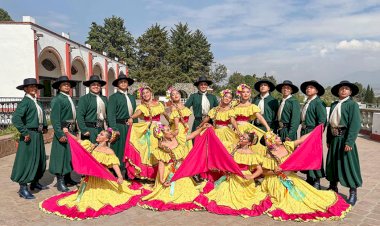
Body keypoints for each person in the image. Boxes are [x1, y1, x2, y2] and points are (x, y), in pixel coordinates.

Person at [39, 128, 142, 220]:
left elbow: (115, 165)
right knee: (84, 199)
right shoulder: (92, 146)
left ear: (106, 139)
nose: (98, 135)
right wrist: (68, 133)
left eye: (101, 134)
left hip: (102, 179)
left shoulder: (109, 151)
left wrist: (119, 176)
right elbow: (78, 141)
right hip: (90, 179)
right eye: (99, 134)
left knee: (103, 198)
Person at [259, 131, 351, 221]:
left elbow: (300, 140)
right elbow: (264, 172)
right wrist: (274, 171)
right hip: (276, 181)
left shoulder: (287, 145)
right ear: (271, 142)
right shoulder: (268, 155)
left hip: (290, 178)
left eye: (277, 136)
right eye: (276, 137)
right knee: (289, 200)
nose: (279, 137)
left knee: (308, 195)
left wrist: (315, 131)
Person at [195, 132, 272, 217]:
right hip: (232, 177)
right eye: (242, 136)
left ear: (249, 143)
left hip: (243, 179)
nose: (241, 138)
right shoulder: (232, 148)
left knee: (243, 199)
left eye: (244, 138)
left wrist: (251, 176)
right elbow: (220, 151)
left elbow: (260, 170)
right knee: (222, 195)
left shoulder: (252, 154)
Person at [139, 123, 210, 211]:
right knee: (169, 193)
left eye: (170, 129)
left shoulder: (178, 138)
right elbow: (161, 164)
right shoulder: (162, 147)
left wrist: (202, 127)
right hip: (168, 173)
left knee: (187, 188)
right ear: (162, 134)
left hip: (181, 170)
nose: (171, 131)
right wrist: (161, 180)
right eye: (168, 130)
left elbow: (191, 136)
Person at [11, 78, 48, 199]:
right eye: (31, 86)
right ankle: (23, 188)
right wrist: (24, 132)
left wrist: (45, 127)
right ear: (25, 89)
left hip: (38, 134)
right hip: (29, 135)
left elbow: (40, 115)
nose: (34, 88)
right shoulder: (26, 101)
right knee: (27, 160)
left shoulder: (35, 101)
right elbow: (16, 118)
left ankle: (35, 182)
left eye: (35, 86)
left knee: (39, 158)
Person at [326, 81, 362, 206]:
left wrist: (350, 141)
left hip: (345, 139)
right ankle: (332, 187)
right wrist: (328, 140)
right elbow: (330, 124)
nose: (343, 90)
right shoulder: (334, 104)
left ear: (350, 92)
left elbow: (355, 124)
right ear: (338, 91)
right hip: (335, 139)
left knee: (348, 165)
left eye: (346, 89)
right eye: (342, 88)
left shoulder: (352, 105)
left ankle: (353, 192)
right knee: (332, 164)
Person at [125, 86, 167, 180]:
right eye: (143, 94)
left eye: (147, 92)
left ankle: (160, 174)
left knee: (160, 149)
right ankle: (149, 175)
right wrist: (131, 117)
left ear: (151, 93)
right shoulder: (142, 106)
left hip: (158, 129)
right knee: (148, 150)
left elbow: (165, 114)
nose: (145, 94)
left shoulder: (159, 104)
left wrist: (171, 124)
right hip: (148, 129)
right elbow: (137, 113)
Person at [49, 75, 78, 192]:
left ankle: (68, 178)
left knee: (69, 156)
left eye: (68, 84)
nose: (67, 86)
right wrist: (60, 134)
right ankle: (60, 181)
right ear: (59, 87)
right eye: (64, 84)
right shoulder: (57, 99)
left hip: (70, 131)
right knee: (60, 156)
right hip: (62, 132)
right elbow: (55, 119)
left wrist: (75, 131)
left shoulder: (69, 98)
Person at [107, 72, 137, 175]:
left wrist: (135, 127)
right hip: (119, 126)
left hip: (130, 127)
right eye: (121, 82)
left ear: (128, 84)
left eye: (125, 82)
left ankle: (128, 170)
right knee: (118, 149)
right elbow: (111, 114)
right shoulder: (113, 97)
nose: (123, 83)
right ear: (117, 84)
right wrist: (114, 129)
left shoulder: (131, 97)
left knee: (129, 148)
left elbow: (134, 113)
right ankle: (117, 172)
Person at [299, 80, 327, 189]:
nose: (308, 89)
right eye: (307, 88)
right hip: (304, 131)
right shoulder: (307, 102)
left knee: (314, 156)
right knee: (306, 155)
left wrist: (316, 134)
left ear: (316, 90)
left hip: (313, 132)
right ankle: (309, 178)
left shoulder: (318, 103)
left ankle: (316, 180)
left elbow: (322, 122)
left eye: (311, 87)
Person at [233, 84, 271, 156]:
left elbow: (260, 117)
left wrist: (267, 127)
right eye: (243, 92)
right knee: (236, 146)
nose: (245, 94)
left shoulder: (252, 106)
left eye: (247, 92)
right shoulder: (234, 105)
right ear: (240, 93)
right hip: (236, 129)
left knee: (248, 146)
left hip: (246, 129)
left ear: (250, 94)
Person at [77, 75, 108, 143]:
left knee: (101, 150)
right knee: (89, 150)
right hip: (89, 130)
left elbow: (108, 114)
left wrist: (110, 129)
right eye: (93, 85)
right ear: (89, 86)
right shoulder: (84, 99)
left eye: (98, 85)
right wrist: (84, 130)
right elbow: (80, 116)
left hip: (101, 129)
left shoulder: (104, 99)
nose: (96, 86)